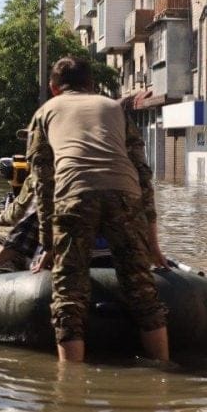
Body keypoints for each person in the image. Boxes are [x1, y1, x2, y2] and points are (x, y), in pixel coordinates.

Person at [26, 56, 168, 363]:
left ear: (53, 88)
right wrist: (152, 242)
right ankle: (164, 371)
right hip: (125, 193)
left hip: (74, 194)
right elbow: (143, 174)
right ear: (92, 85)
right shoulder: (115, 108)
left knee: (68, 296)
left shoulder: (44, 113)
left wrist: (48, 245)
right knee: (142, 289)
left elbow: (43, 184)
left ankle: (70, 385)